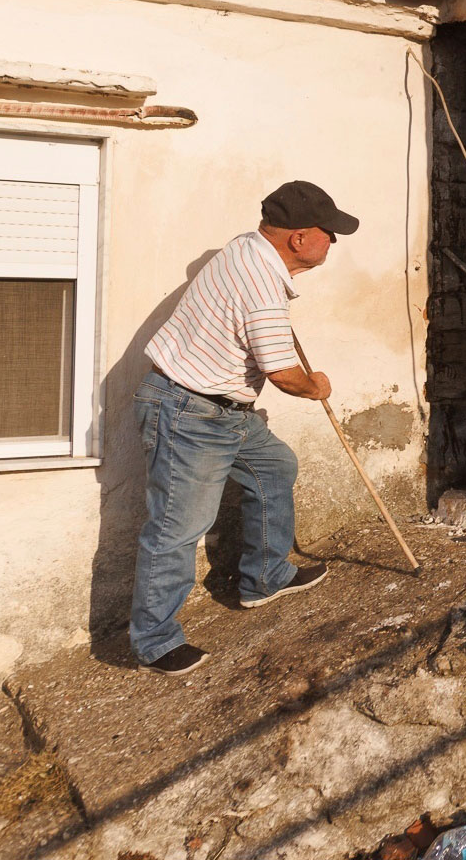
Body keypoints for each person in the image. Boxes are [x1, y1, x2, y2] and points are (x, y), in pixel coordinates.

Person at [129, 181, 360, 675]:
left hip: (221, 409)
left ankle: (266, 576)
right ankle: (154, 641)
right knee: (176, 528)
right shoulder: (262, 286)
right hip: (189, 412)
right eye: (328, 232)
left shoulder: (246, 248)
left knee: (274, 466)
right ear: (298, 238)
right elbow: (282, 375)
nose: (333, 242)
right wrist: (316, 385)